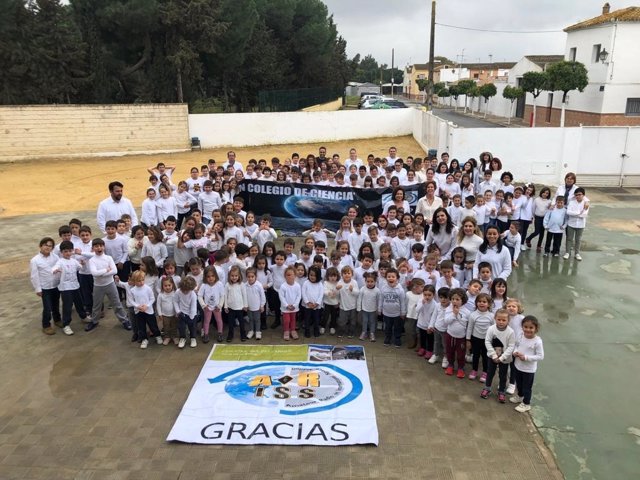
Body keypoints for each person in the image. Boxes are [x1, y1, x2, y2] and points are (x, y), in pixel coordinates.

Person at [84, 238, 131, 332]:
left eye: (101, 246)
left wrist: (101, 273)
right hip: (98, 286)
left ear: (104, 247)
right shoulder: (92, 260)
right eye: (96, 246)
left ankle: (124, 320)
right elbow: (94, 273)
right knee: (96, 305)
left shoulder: (108, 258)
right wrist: (106, 270)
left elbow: (115, 271)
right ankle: (94, 321)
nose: (99, 248)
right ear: (93, 248)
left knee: (116, 303)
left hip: (110, 284)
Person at [52, 240, 87, 335]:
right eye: (65, 251)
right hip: (65, 287)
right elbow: (54, 267)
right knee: (67, 306)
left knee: (79, 302)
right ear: (61, 252)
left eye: (69, 251)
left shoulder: (74, 261)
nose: (68, 253)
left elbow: (80, 268)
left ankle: (83, 316)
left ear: (72, 251)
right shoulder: (60, 261)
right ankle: (66, 324)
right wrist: (55, 270)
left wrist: (83, 264)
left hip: (75, 285)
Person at [510, 315, 544, 413]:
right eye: (525, 327)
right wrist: (515, 352)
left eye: (531, 328)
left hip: (529, 369)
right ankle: (520, 396)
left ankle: (526, 403)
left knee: (527, 387)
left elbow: (540, 356)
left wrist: (526, 357)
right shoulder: (521, 336)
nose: (528, 330)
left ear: (536, 328)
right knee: (519, 384)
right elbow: (516, 345)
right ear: (522, 327)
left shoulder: (537, 342)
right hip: (518, 366)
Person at [481, 309, 515, 403]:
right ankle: (487, 388)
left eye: (504, 320)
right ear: (495, 318)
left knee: (503, 375)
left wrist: (501, 358)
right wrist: (493, 355)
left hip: (504, 358)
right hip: (492, 357)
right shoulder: (491, 329)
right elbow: (487, 341)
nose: (501, 322)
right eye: (499, 319)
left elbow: (511, 346)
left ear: (508, 321)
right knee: (490, 373)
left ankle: (501, 391)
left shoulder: (511, 332)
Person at [30, 237, 61, 335]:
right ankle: (46, 325)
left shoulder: (55, 257)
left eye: (50, 246)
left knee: (56, 305)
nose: (47, 247)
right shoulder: (35, 260)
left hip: (55, 285)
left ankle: (57, 320)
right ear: (40, 246)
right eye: (45, 245)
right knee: (47, 307)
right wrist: (38, 289)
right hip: (45, 287)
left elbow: (59, 268)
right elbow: (34, 276)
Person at [128, 270, 162, 349]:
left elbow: (152, 298)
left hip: (149, 311)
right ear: (134, 281)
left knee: (153, 325)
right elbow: (131, 300)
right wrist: (138, 306)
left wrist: (147, 306)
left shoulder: (148, 288)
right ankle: (144, 339)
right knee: (141, 326)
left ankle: (157, 335)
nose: (141, 282)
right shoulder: (132, 290)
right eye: (139, 281)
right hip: (138, 311)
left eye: (143, 280)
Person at [466, 293, 494, 383]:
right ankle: (474, 370)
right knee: (475, 356)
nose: (481, 303)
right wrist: (468, 340)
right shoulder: (473, 315)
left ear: (489, 304)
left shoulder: (492, 316)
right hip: (475, 339)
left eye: (484, 302)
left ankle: (485, 372)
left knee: (486, 357)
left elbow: (494, 329)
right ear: (476, 303)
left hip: (487, 340)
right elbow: (469, 328)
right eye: (479, 301)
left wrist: (494, 341)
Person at [443, 288, 469, 378]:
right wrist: (454, 314)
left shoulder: (467, 312)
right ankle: (450, 365)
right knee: (449, 351)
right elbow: (446, 321)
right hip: (450, 335)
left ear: (463, 300)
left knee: (461, 353)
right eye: (453, 299)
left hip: (461, 337)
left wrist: (458, 315)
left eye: (457, 299)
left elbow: (465, 324)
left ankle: (461, 368)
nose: (454, 301)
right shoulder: (448, 309)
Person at [379, 268, 407, 348]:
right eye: (389, 276)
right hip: (386, 313)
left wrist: (403, 312)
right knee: (388, 327)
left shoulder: (400, 290)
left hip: (397, 314)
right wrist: (379, 309)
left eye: (393, 277)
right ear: (386, 278)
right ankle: (388, 337)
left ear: (397, 278)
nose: (391, 278)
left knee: (397, 327)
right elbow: (381, 299)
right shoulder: (384, 288)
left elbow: (402, 302)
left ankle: (397, 338)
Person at [199, 266, 225, 343]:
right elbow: (199, 296)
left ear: (216, 275)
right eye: (208, 276)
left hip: (217, 307)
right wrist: (204, 305)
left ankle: (220, 333)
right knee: (207, 321)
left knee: (219, 320)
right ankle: (206, 334)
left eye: (212, 276)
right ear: (205, 277)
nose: (211, 278)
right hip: (208, 308)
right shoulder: (204, 285)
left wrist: (220, 305)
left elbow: (222, 296)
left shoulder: (219, 284)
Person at [564, 187, 589, 261]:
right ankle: (567, 252)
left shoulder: (586, 203)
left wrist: (574, 214)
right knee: (569, 239)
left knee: (578, 239)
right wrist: (578, 213)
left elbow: (584, 215)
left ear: (583, 195)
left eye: (579, 194)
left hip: (581, 225)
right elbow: (568, 212)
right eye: (576, 195)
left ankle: (577, 253)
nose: (578, 196)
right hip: (571, 224)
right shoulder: (572, 202)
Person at [174, 276, 198, 348]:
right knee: (181, 327)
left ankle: (193, 338)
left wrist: (191, 317)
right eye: (183, 289)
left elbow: (193, 306)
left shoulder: (193, 294)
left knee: (192, 327)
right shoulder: (178, 292)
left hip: (192, 314)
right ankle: (182, 338)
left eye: (187, 290)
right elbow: (175, 301)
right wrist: (178, 311)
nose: (184, 291)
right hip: (181, 313)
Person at [526, 187, 552, 253]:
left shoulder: (549, 201)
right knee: (537, 231)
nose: (545, 194)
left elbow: (549, 210)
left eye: (547, 193)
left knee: (542, 233)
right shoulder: (537, 200)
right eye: (544, 192)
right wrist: (533, 216)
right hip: (537, 217)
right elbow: (533, 209)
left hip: (545, 218)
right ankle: (528, 239)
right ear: (541, 192)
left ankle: (539, 245)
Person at [279, 265, 302, 341]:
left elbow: (299, 296)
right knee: (286, 320)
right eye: (288, 275)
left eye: (291, 274)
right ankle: (286, 331)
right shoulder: (283, 286)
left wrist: (295, 305)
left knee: (293, 319)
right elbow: (281, 297)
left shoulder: (297, 286)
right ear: (285, 276)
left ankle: (293, 330)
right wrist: (286, 305)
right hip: (286, 308)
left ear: (295, 276)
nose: (290, 276)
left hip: (294, 308)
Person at [301, 266, 323, 338]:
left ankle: (316, 330)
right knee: (307, 319)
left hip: (316, 306)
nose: (312, 277)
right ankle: (307, 330)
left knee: (316, 319)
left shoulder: (320, 284)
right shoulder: (306, 283)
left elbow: (321, 294)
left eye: (315, 275)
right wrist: (307, 302)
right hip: (307, 306)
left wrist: (317, 303)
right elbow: (303, 293)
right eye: (311, 275)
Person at [245, 267, 267, 340]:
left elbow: (262, 296)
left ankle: (258, 331)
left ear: (256, 277)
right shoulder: (245, 285)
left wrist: (262, 305)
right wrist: (245, 305)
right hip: (249, 307)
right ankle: (251, 331)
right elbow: (244, 296)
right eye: (248, 277)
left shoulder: (259, 285)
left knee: (257, 319)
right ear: (246, 277)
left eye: (252, 277)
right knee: (250, 319)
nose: (250, 278)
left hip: (257, 307)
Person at [358, 272, 380, 342]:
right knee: (364, 321)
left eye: (372, 281)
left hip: (373, 310)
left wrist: (378, 309)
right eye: (368, 281)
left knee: (372, 322)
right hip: (364, 309)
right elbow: (359, 299)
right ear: (365, 281)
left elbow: (379, 300)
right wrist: (359, 308)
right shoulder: (362, 289)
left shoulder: (377, 291)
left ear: (375, 282)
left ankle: (372, 333)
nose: (369, 283)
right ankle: (364, 332)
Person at [157, 276, 178, 346]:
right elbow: (158, 305)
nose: (167, 287)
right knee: (166, 326)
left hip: (174, 314)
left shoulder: (175, 293)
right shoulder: (161, 295)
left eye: (169, 285)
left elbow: (177, 303)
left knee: (174, 326)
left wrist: (177, 312)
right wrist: (160, 314)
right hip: (165, 315)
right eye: (165, 285)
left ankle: (174, 336)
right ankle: (167, 337)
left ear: (172, 285)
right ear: (162, 286)